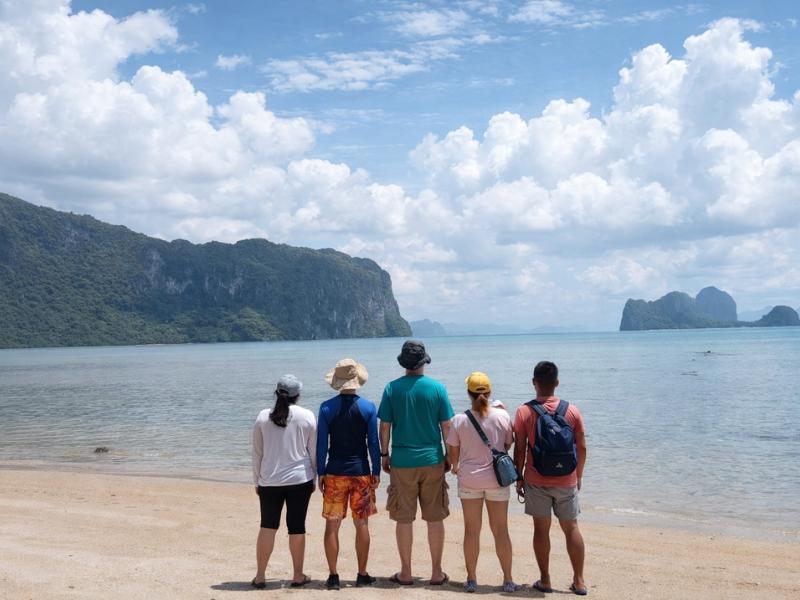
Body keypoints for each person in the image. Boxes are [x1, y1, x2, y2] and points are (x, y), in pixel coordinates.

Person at [378, 339, 454, 586]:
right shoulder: (437, 389)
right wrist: (449, 456)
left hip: (402, 461)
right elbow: (447, 426)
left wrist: (384, 454)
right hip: (432, 459)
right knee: (435, 518)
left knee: (403, 519)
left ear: (404, 363)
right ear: (423, 362)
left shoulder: (391, 389)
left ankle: (406, 572)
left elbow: (385, 426)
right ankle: (436, 572)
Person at [513, 361, 588, 596]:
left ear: (534, 382)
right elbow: (582, 447)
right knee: (571, 528)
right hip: (567, 479)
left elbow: (520, 449)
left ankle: (545, 580)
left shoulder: (524, 412)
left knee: (541, 529)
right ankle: (579, 581)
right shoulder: (572, 410)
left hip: (537, 479)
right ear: (557, 383)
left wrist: (519, 477)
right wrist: (578, 475)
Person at [446, 372, 518, 593]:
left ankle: (471, 579)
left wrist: (456, 467)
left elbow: (453, 453)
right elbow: (507, 445)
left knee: (471, 531)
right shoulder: (502, 416)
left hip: (469, 481)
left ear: (468, 393)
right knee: (501, 530)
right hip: (497, 480)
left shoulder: (459, 420)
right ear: (489, 391)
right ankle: (508, 580)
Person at [316, 358, 381, 590]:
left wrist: (320, 471)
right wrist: (376, 470)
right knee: (361, 523)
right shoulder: (368, 407)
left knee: (332, 525)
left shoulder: (326, 408)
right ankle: (362, 574)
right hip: (360, 472)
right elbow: (373, 442)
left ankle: (333, 576)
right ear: (356, 381)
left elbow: (322, 443)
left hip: (334, 472)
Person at [251, 374, 316, 589]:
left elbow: (257, 453)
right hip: (300, 479)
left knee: (267, 526)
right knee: (297, 527)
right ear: (298, 395)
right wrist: (315, 477)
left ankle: (260, 576)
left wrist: (257, 481)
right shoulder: (307, 416)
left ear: (277, 393)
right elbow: (313, 452)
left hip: (269, 480)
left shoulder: (263, 416)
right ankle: (298, 575)